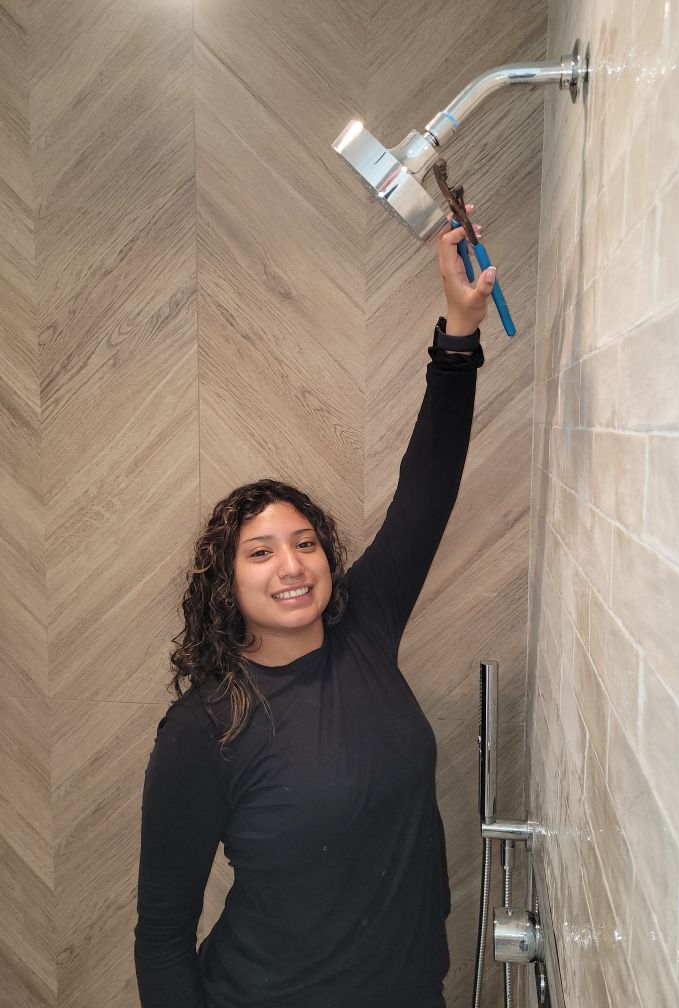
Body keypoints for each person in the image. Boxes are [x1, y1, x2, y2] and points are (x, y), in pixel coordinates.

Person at [134, 210, 497, 1008]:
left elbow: (427, 488)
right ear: (226, 585)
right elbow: (162, 936)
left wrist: (459, 334)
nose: (292, 566)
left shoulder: (364, 627)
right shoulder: (206, 729)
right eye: (260, 553)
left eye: (305, 543)